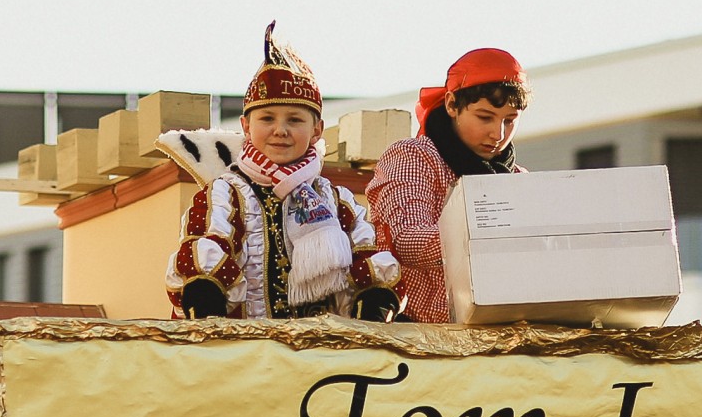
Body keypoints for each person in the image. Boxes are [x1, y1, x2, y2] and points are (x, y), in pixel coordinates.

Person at [165, 23, 366, 320]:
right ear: (246, 127)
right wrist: (205, 289)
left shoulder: (335, 200)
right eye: (267, 118)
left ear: (317, 130)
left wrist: (375, 293)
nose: (280, 130)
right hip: (247, 353)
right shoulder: (225, 193)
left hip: (324, 354)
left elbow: (365, 252)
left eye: (295, 120)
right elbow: (206, 246)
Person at [366, 48, 531, 323]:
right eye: (485, 116)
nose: (498, 134)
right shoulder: (414, 155)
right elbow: (406, 239)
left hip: (496, 341)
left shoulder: (520, 179)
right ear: (452, 104)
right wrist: (491, 238)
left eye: (510, 120)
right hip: (412, 339)